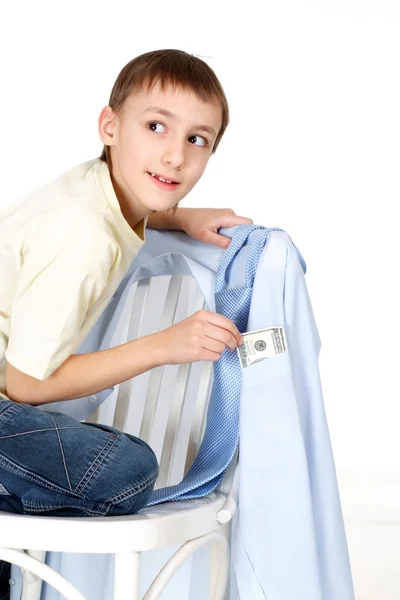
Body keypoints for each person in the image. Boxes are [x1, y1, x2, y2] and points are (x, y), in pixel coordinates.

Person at [0, 47, 253, 597]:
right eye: (156, 126)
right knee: (125, 469)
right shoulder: (82, 235)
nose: (174, 155)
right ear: (109, 126)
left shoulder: (98, 190)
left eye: (196, 139)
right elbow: (20, 384)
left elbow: (133, 201)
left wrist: (180, 215)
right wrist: (164, 345)